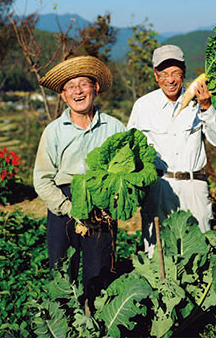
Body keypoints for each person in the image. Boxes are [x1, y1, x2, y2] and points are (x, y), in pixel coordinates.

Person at [33, 55, 125, 309]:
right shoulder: (54, 131)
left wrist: (112, 201)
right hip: (64, 206)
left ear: (95, 88)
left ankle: (95, 320)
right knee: (62, 270)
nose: (78, 91)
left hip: (100, 207)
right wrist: (68, 208)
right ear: (63, 95)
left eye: (83, 84)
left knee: (100, 270)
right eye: (70, 86)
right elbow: (41, 179)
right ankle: (65, 323)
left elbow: (126, 173)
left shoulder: (115, 128)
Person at [127, 44, 216, 253]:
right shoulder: (143, 106)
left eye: (175, 73)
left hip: (193, 185)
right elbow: (130, 150)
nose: (170, 80)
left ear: (184, 74)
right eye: (164, 74)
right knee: (158, 250)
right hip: (158, 186)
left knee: (200, 248)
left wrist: (207, 108)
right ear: (156, 75)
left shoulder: (201, 101)